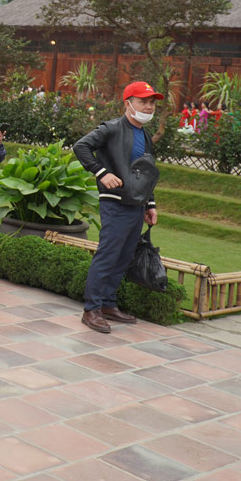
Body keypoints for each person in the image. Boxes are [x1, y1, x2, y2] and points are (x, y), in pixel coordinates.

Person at [72, 81, 162, 334]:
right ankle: (92, 309)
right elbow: (81, 146)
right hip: (115, 202)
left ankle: (109, 304)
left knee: (123, 255)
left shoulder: (145, 136)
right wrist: (101, 173)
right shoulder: (111, 128)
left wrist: (150, 204)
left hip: (136, 204)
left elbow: (146, 173)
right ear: (127, 103)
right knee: (109, 254)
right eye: (143, 101)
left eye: (152, 102)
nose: (148, 106)